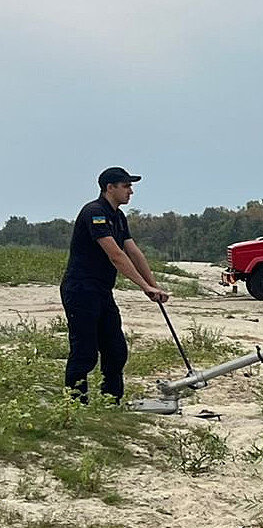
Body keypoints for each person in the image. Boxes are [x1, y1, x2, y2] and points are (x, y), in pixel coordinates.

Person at [61, 167, 169, 403]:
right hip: (80, 289)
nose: (131, 191)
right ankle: (75, 403)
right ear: (110, 187)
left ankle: (112, 400)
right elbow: (116, 255)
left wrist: (153, 286)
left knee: (116, 349)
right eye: (126, 186)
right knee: (85, 351)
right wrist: (143, 286)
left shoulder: (118, 216)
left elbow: (133, 252)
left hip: (101, 290)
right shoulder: (94, 212)